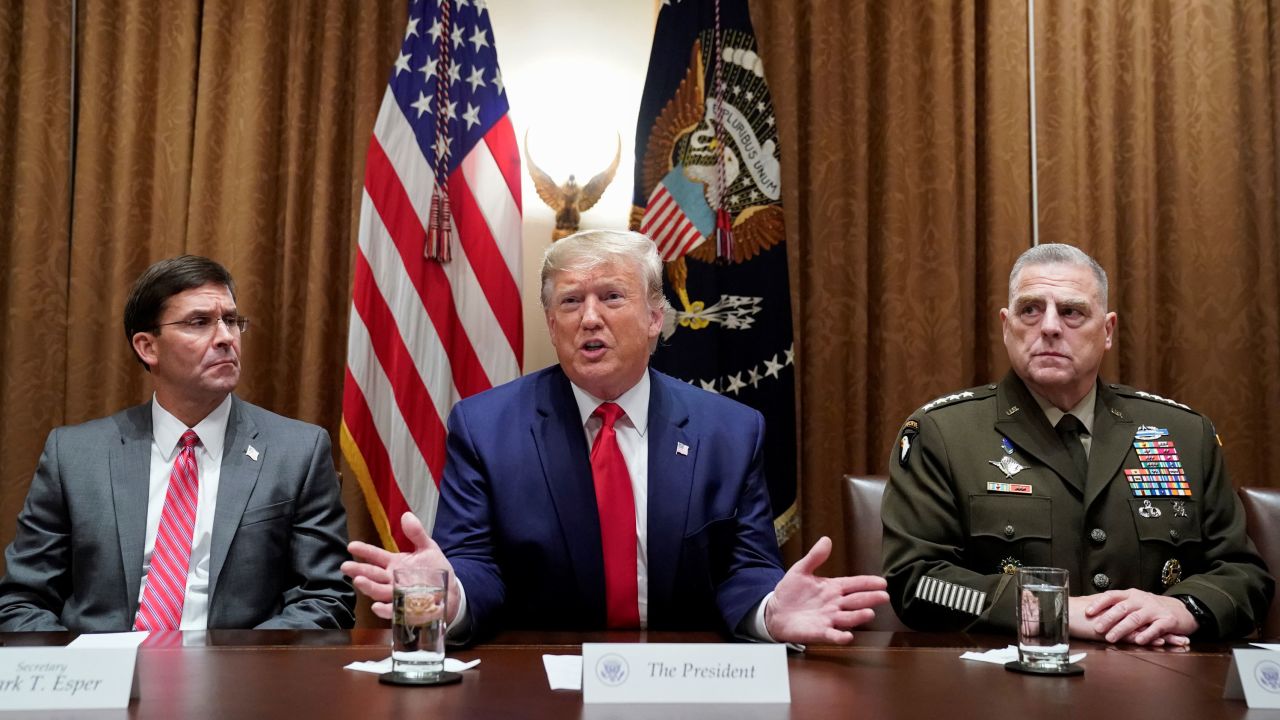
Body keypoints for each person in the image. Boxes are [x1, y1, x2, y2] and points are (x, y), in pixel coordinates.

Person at [344, 229, 888, 644]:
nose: (589, 318)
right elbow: (475, 566)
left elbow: (743, 570)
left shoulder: (729, 430)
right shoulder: (486, 427)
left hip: (685, 677)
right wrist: (450, 597)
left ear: (656, 317)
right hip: (539, 676)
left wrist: (770, 612)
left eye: (611, 297)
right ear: (550, 321)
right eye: (570, 301)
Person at [882, 243, 1273, 645]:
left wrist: (1185, 608)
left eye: (1071, 311)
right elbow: (918, 582)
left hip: (1157, 682)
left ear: (1107, 331)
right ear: (1006, 326)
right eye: (1030, 310)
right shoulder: (943, 433)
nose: (1049, 326)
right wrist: (1049, 609)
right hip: (1005, 685)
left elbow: (1245, 575)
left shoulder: (1185, 433)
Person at [0, 255, 355, 631]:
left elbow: (326, 598)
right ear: (147, 347)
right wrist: (84, 674)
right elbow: (22, 600)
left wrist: (238, 668)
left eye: (232, 321)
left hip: (234, 681)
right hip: (102, 678)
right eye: (199, 323)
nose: (225, 338)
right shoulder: (74, 456)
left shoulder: (297, 452)